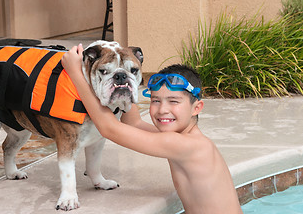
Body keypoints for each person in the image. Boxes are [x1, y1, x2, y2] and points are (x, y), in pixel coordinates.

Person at [61, 44, 243, 214]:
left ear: (197, 107)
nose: (163, 109)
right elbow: (134, 123)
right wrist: (124, 86)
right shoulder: (181, 136)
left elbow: (110, 129)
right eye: (156, 101)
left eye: (173, 101)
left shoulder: (183, 144)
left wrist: (76, 73)